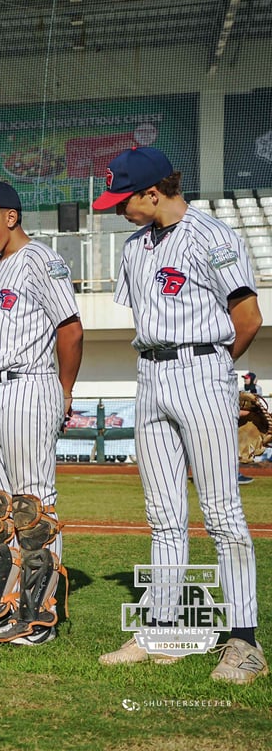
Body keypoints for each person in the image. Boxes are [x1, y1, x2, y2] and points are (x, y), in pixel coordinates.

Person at [93, 146, 266, 684]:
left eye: (125, 199)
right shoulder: (136, 246)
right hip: (151, 375)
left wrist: (215, 374)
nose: (117, 209)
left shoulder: (213, 236)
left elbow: (249, 316)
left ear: (153, 192)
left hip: (201, 370)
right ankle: (163, 629)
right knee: (164, 515)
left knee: (221, 513)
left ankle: (244, 642)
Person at [0, 180, 83, 646]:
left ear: (10, 216)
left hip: (28, 385)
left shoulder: (40, 260)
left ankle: (40, 614)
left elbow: (70, 328)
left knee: (33, 505)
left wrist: (64, 390)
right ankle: (2, 606)